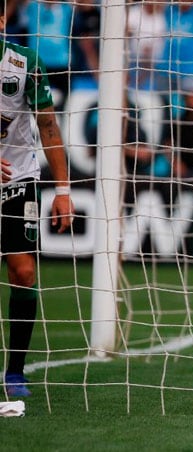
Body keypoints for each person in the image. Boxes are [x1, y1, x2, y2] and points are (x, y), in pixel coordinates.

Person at [0, 2, 75, 397]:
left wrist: (63, 191)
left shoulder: (24, 62)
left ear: (2, 20)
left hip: (19, 178)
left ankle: (15, 371)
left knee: (24, 273)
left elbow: (47, 125)